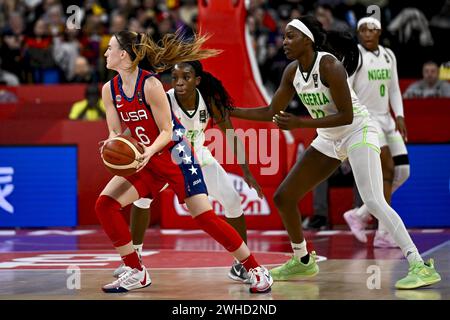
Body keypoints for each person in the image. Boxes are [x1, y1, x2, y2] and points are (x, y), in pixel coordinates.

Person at [231, 15, 441, 289]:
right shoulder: (292, 72)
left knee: (374, 200)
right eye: (284, 36)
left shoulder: (329, 65)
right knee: (284, 196)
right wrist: (229, 110)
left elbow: (346, 115)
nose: (284, 42)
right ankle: (303, 259)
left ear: (307, 40)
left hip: (358, 131)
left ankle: (419, 265)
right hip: (329, 138)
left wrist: (300, 123)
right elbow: (270, 111)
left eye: (290, 36)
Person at [97, 30, 273, 293]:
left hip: (177, 157)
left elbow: (167, 131)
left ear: (123, 54)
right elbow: (115, 131)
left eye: (110, 48)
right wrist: (112, 146)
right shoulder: (109, 89)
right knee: (105, 204)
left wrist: (147, 152)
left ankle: (255, 268)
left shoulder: (151, 85)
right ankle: (136, 270)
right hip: (147, 159)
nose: (105, 53)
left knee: (204, 217)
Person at [342, 17, 410, 248]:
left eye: (371, 30)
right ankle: (383, 233)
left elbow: (394, 88)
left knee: (403, 172)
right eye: (362, 30)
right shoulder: (355, 56)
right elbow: (344, 89)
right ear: (359, 33)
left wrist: (399, 114)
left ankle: (359, 214)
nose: (367, 34)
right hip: (368, 119)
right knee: (387, 170)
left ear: (379, 32)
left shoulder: (389, 55)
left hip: (387, 119)